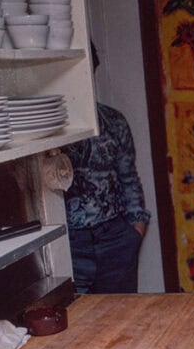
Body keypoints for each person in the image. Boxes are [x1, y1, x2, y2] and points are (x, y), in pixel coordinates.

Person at [62, 46, 151, 294]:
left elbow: (129, 177)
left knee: (123, 320)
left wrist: (135, 229)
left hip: (116, 237)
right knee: (75, 323)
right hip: (70, 243)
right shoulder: (46, 128)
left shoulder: (114, 120)